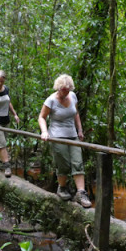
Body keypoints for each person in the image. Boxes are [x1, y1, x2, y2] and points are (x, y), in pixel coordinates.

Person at [38, 74, 91, 208]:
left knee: (78, 162)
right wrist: (44, 131)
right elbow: (41, 117)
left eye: (67, 90)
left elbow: (76, 114)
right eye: (63, 90)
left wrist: (80, 130)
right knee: (63, 165)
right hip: (57, 136)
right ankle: (62, 188)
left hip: (72, 135)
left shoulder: (72, 96)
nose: (65, 93)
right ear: (58, 88)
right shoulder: (51, 100)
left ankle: (81, 193)